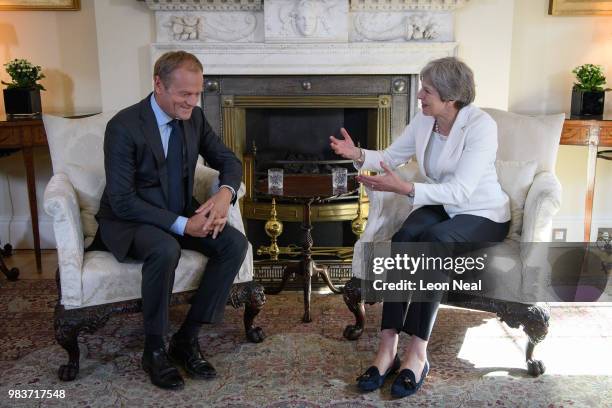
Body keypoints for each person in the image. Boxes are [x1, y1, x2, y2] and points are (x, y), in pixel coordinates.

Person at [330, 57, 510, 398]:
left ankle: (417, 353)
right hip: (442, 205)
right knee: (405, 237)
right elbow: (390, 156)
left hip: (483, 213)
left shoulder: (481, 126)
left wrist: (405, 188)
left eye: (426, 90)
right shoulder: (425, 121)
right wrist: (357, 153)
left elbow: (461, 191)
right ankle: (387, 347)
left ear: (450, 97)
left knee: (433, 241)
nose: (419, 96)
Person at [94, 51, 248, 390]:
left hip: (178, 210)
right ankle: (154, 349)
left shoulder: (193, 117)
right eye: (184, 94)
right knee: (165, 248)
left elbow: (229, 160)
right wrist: (182, 225)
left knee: (234, 243)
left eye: (198, 93)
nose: (193, 102)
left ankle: (186, 338)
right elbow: (121, 199)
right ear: (158, 85)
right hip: (130, 219)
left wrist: (225, 194)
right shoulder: (123, 126)